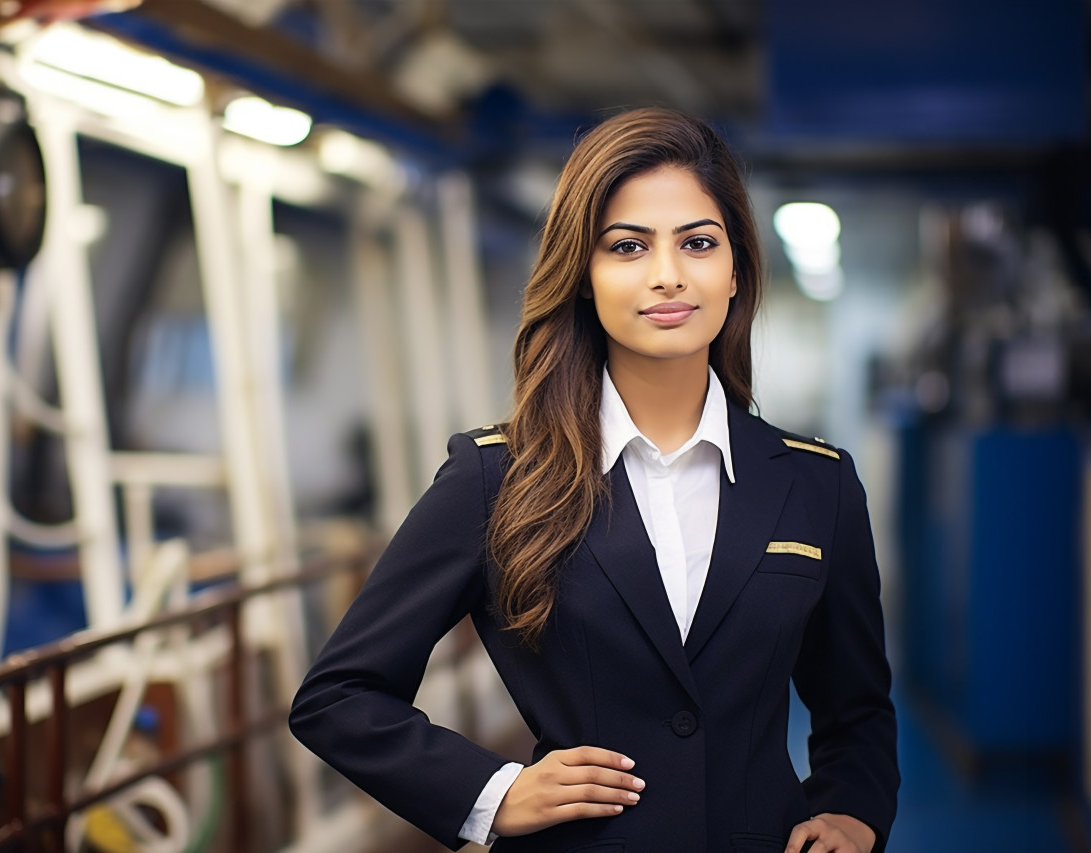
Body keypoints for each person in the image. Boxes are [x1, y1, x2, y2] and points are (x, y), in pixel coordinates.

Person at [289, 108, 898, 853]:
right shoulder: (497, 476)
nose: (667, 273)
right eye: (627, 246)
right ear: (583, 273)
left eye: (698, 243)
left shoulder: (817, 485)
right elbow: (339, 696)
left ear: (735, 268)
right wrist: (493, 792)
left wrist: (853, 809)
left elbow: (857, 712)